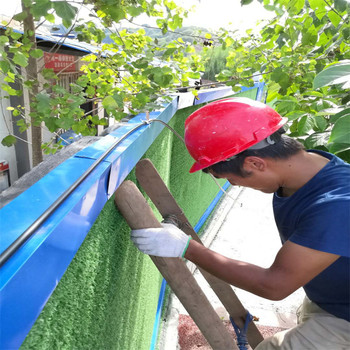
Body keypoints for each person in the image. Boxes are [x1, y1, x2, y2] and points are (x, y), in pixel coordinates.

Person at [131, 97, 350, 349]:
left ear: (255, 163)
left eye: (229, 179)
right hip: (332, 299)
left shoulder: (337, 205)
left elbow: (274, 285)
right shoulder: (309, 171)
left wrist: (186, 248)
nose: (233, 185)